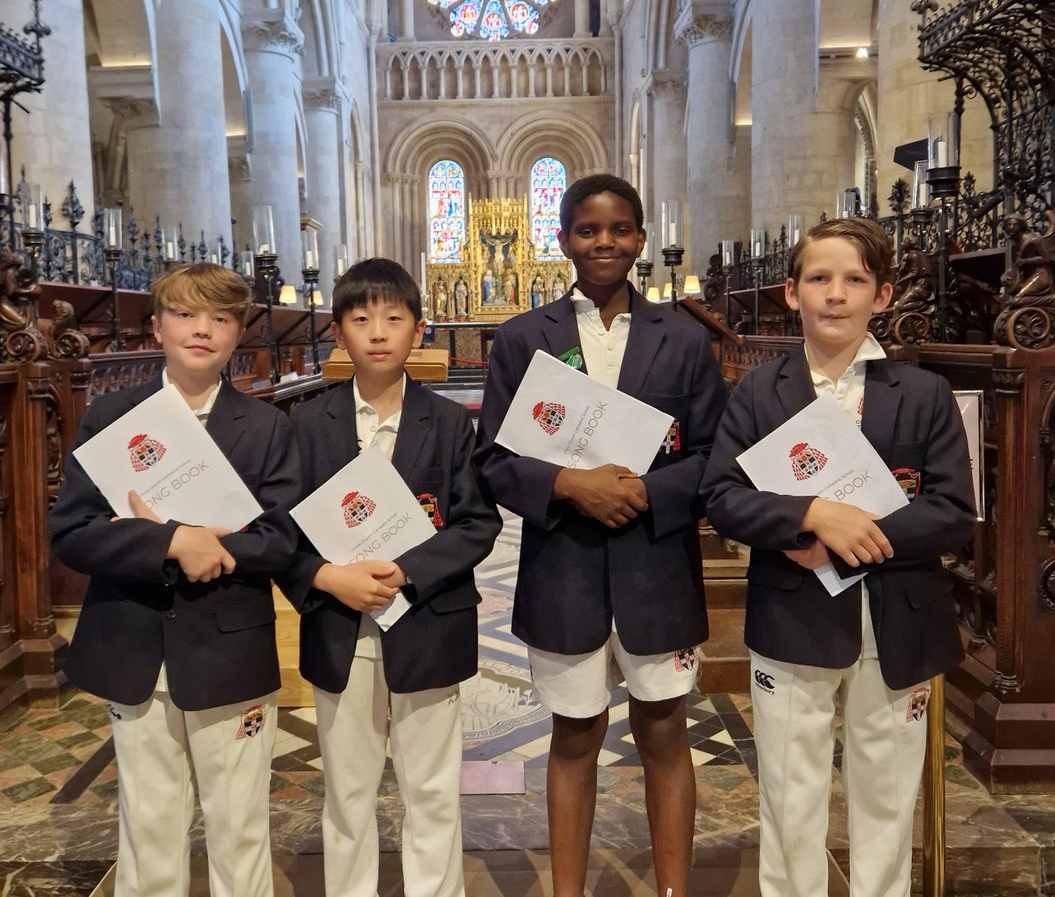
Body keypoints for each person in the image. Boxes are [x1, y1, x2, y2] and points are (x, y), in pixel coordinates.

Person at [702, 217, 975, 897]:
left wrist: (855, 536)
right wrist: (807, 519)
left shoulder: (923, 394)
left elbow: (950, 510)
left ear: (881, 296)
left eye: (854, 280)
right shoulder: (758, 392)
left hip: (896, 618)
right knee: (790, 796)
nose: (834, 294)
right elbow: (722, 496)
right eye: (819, 278)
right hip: (793, 611)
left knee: (886, 795)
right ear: (791, 292)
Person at [474, 173, 727, 897]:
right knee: (575, 735)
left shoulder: (683, 337)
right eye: (587, 230)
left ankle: (673, 890)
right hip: (565, 565)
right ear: (563, 241)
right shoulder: (524, 338)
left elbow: (715, 453)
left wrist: (646, 490)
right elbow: (494, 458)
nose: (604, 242)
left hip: (656, 566)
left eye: (619, 229)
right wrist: (568, 485)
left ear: (641, 239)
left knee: (664, 733)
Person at [49, 262, 301, 897]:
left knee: (239, 825)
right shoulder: (113, 415)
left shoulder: (267, 425)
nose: (202, 329)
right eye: (186, 314)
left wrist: (202, 545)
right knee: (149, 824)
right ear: (158, 327)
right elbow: (73, 531)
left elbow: (280, 539)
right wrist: (171, 542)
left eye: (220, 317)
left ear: (238, 332)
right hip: (134, 644)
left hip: (229, 647)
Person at [280, 258, 501, 897]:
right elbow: (281, 534)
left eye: (394, 318)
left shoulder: (450, 422)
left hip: (428, 623)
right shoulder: (306, 424)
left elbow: (477, 522)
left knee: (431, 788)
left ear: (419, 330)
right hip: (339, 627)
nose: (378, 332)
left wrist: (406, 569)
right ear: (337, 332)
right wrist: (327, 577)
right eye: (360, 319)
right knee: (347, 790)